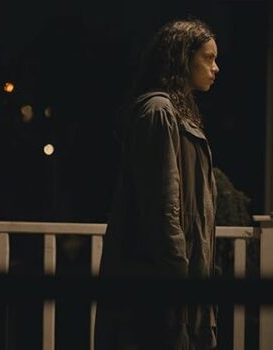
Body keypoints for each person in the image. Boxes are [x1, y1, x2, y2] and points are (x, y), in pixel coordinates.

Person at [95, 18, 221, 350]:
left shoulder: (178, 113)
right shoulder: (159, 112)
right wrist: (176, 282)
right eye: (208, 58)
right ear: (183, 58)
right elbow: (163, 206)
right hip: (160, 287)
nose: (215, 68)